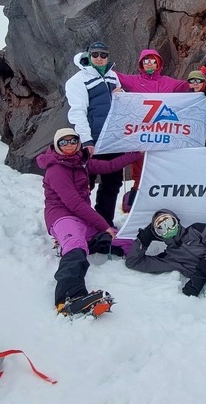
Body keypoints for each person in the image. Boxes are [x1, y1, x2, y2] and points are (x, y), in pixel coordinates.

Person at [37, 128, 143, 317]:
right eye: (63, 142)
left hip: (81, 220)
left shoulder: (80, 162)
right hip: (62, 217)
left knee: (124, 241)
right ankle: (68, 298)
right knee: (76, 245)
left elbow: (110, 166)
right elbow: (74, 203)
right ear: (56, 146)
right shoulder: (56, 170)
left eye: (72, 141)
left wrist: (137, 154)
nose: (69, 145)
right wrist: (104, 226)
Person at [117, 50, 206, 210]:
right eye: (146, 61)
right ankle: (134, 205)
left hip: (163, 135)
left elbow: (189, 85)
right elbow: (114, 76)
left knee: (162, 170)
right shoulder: (134, 81)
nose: (149, 64)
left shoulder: (167, 82)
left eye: (153, 61)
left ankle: (161, 203)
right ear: (141, 64)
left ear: (158, 63)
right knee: (139, 171)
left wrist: (204, 70)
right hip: (141, 135)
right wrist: (90, 63)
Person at [65, 41, 124, 227]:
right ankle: (79, 224)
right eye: (95, 54)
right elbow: (78, 112)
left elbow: (119, 104)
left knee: (112, 183)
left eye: (103, 55)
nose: (99, 58)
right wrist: (86, 140)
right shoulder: (77, 80)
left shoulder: (113, 76)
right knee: (84, 185)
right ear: (89, 56)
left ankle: (104, 224)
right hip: (92, 140)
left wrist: (120, 95)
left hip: (113, 139)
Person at [187, 69, 206, 146]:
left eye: (198, 81)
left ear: (204, 83)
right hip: (187, 139)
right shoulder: (184, 99)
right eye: (192, 81)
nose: (195, 83)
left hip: (204, 140)